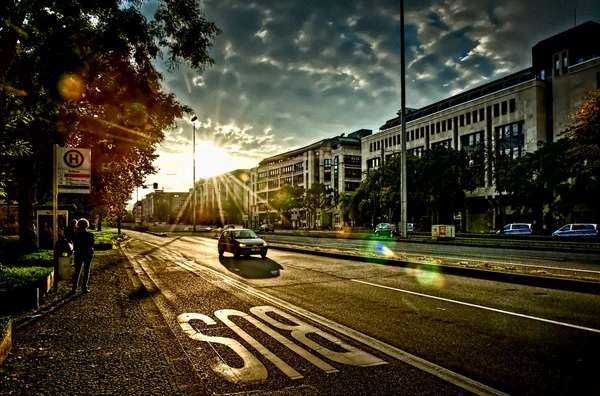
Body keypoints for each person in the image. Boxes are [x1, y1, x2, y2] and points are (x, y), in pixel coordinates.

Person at [71, 218, 95, 293]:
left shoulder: (76, 235)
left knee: (77, 270)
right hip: (88, 253)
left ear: (78, 225)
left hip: (78, 253)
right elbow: (92, 244)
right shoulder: (90, 235)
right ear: (87, 226)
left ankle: (74, 288)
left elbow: (74, 244)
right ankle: (84, 287)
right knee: (86, 270)